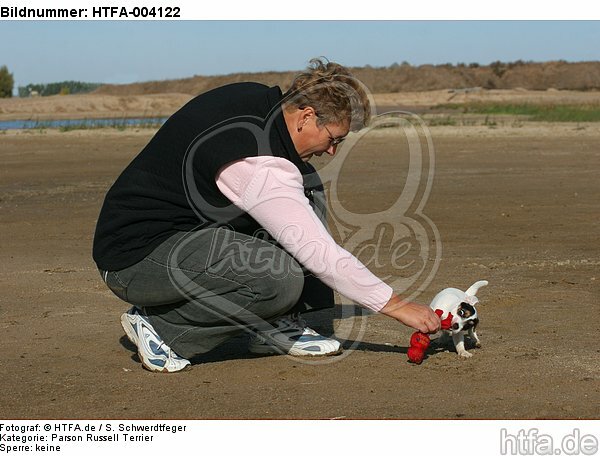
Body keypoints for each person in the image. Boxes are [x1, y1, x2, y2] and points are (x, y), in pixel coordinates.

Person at [93, 58, 441, 373]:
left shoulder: (260, 100)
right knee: (277, 279)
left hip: (179, 232)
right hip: (134, 258)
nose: (332, 150)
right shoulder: (259, 166)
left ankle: (274, 325)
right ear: (306, 116)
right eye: (334, 138)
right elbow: (318, 252)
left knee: (306, 183)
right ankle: (164, 331)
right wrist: (396, 305)